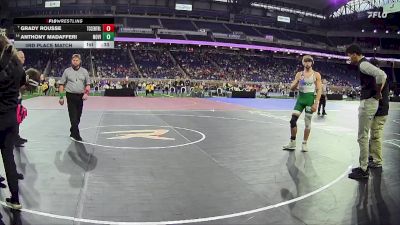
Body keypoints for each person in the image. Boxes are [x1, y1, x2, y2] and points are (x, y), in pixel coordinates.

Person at [0, 36, 39, 209]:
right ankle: (15, 199)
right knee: (9, 158)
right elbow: (23, 86)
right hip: (11, 119)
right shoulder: (18, 67)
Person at [346, 45, 387, 180]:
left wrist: (378, 92)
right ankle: (363, 166)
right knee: (363, 136)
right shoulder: (364, 64)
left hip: (368, 102)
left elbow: (382, 74)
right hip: (371, 102)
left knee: (362, 136)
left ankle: (364, 169)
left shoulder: (363, 64)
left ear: (355, 54)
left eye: (349, 55)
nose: (348, 58)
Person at [282, 55, 322, 152]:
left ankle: (304, 143)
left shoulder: (316, 75)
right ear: (303, 63)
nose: (307, 63)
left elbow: (319, 89)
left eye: (309, 61)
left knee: (307, 124)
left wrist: (316, 103)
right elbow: (292, 88)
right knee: (292, 121)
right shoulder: (299, 74)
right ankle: (292, 142)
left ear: (312, 63)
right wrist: (297, 82)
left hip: (309, 101)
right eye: (305, 61)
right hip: (300, 100)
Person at [58, 54, 91, 141]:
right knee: (73, 116)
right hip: (70, 96)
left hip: (80, 97)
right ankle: (77, 135)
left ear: (80, 61)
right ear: (71, 61)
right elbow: (61, 85)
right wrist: (61, 97)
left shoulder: (84, 71)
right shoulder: (66, 71)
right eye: (73, 60)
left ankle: (73, 131)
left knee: (78, 117)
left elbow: (88, 84)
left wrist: (86, 93)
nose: (75, 62)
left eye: (77, 60)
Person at [368, 58, 390, 169]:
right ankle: (372, 156)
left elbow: (376, 93)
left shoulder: (381, 76)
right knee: (373, 135)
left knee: (376, 136)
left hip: (380, 111)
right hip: (377, 111)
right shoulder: (377, 76)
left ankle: (377, 161)